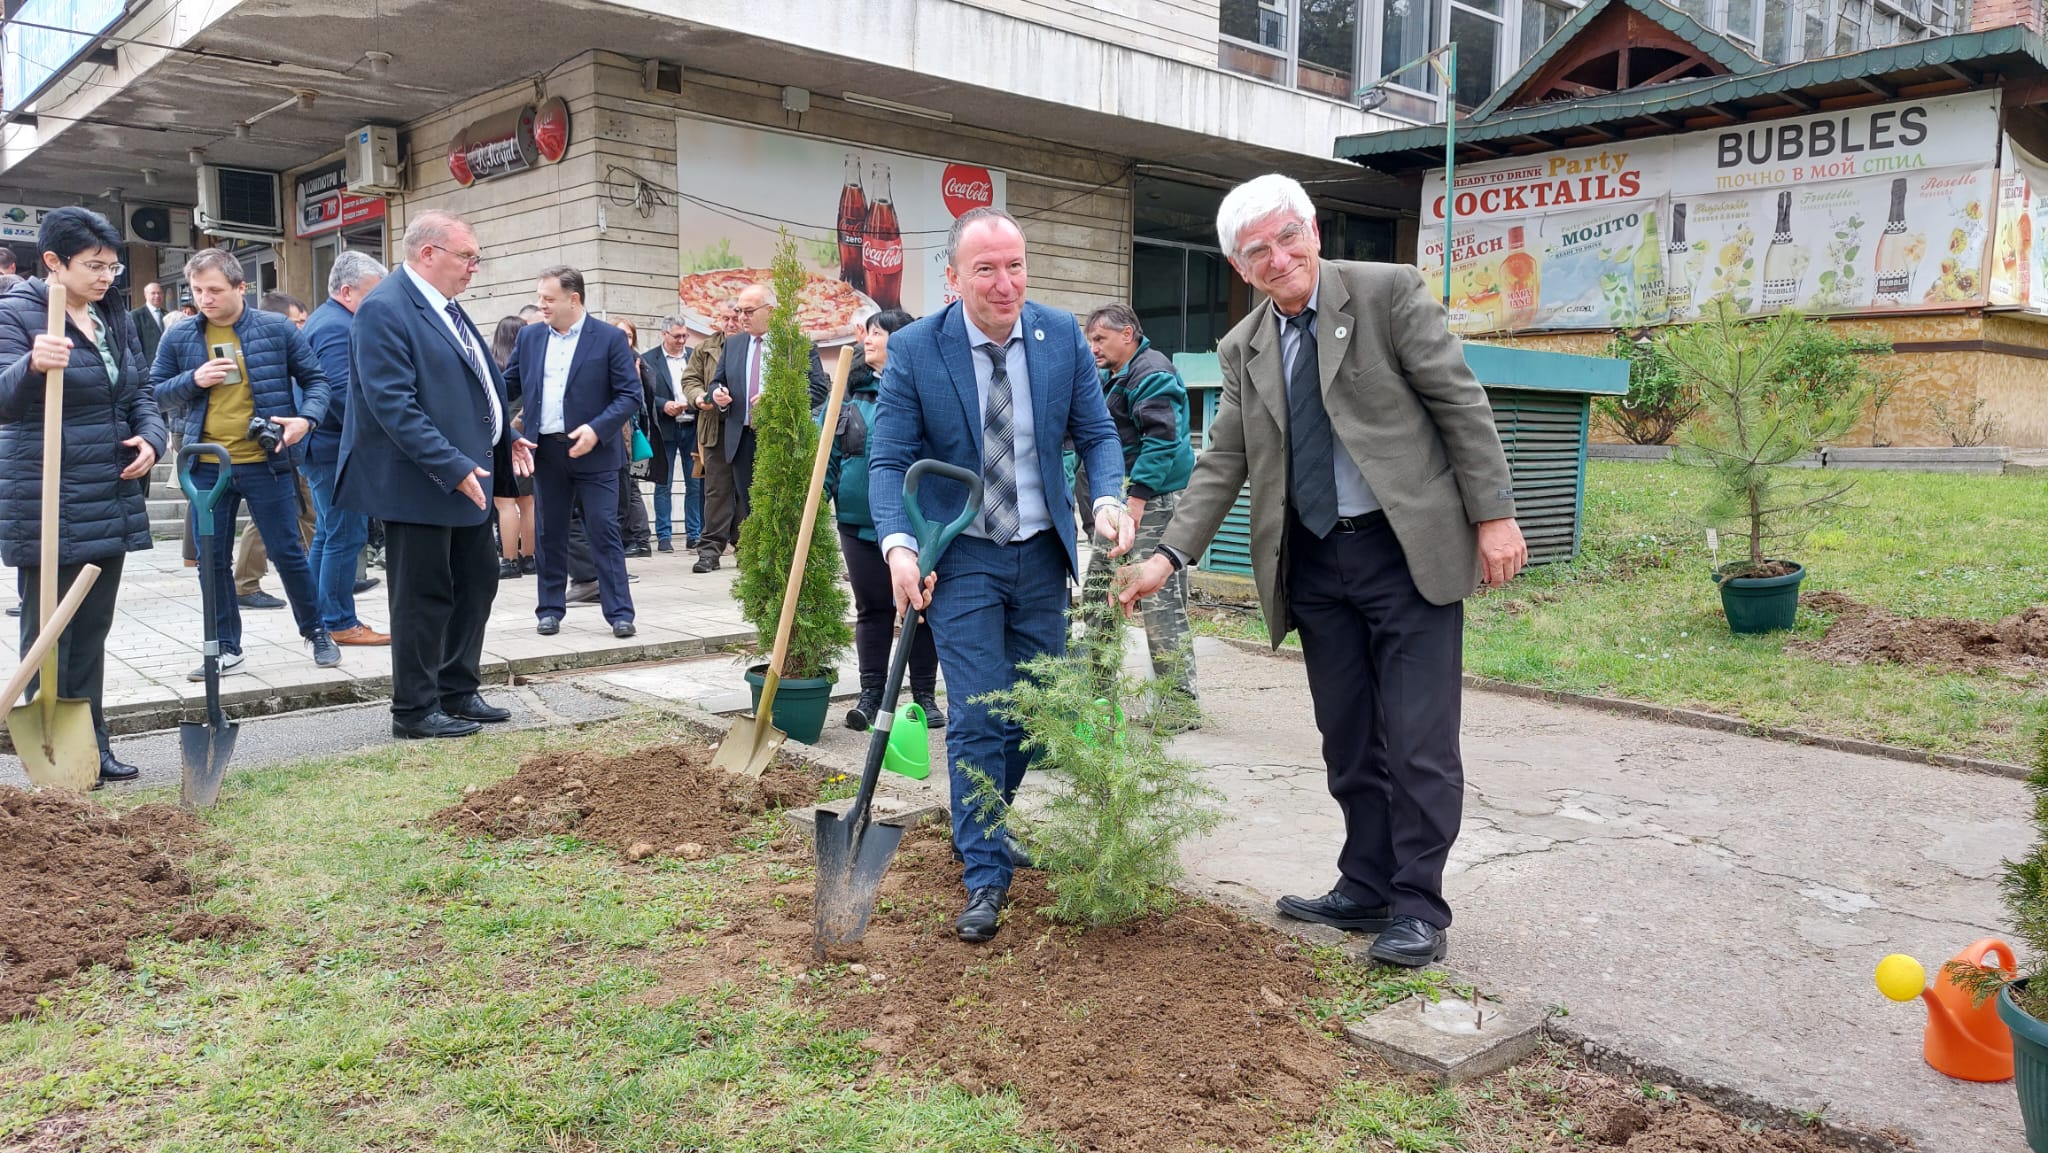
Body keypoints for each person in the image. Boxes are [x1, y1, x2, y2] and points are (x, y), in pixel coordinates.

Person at [1117, 174, 1527, 968]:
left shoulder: (1387, 294)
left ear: (1312, 230)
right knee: (1347, 739)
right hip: (1314, 561)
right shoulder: (1246, 348)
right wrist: (1167, 555)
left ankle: (1418, 905)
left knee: (1417, 739)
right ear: (1240, 267)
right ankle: (1365, 883)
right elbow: (1224, 459)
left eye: (1286, 237)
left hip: (1404, 553)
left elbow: (1459, 403)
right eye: (1256, 251)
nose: (1278, 258)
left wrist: (1496, 514)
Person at [868, 207, 1132, 944]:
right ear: (952, 279)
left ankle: (979, 819)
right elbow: (888, 460)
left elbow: (1097, 432)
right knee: (980, 708)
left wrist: (1107, 498)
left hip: (1042, 552)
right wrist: (898, 545)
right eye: (986, 268)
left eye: (1014, 264)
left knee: (1034, 710)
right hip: (962, 553)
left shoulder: (1059, 339)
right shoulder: (919, 350)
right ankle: (984, 871)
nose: (1005, 281)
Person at [338, 209, 522, 740]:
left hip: (468, 476)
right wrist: (451, 462)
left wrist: (506, 439)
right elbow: (392, 403)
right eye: (467, 256)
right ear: (428, 253)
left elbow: (470, 389)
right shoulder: (386, 308)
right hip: (419, 480)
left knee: (477, 581)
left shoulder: (447, 308)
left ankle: (456, 690)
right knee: (421, 596)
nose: (474, 268)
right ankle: (415, 710)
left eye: (475, 258)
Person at [0, 207, 167, 784]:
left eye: (113, 267)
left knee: (91, 630)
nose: (106, 277)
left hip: (108, 489)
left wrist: (152, 437)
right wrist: (30, 364)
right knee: (50, 634)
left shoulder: (111, 315)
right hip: (48, 493)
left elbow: (140, 388)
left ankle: (92, 740)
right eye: (94, 266)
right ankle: (52, 755)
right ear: (52, 262)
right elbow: (3, 396)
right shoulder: (16, 315)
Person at [153, 248, 339, 682]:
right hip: (206, 465)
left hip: (266, 459)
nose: (205, 299)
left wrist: (305, 420)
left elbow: (317, 381)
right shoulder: (179, 337)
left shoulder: (276, 329)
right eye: (197, 290)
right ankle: (223, 648)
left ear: (241, 288)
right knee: (209, 559)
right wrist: (193, 380)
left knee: (287, 550)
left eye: (215, 290)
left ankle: (316, 631)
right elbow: (154, 392)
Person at [504, 266, 640, 640]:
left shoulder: (609, 339)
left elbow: (630, 395)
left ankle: (620, 614)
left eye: (548, 298)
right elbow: (508, 384)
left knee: (603, 529)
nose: (541, 305)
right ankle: (549, 610)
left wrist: (597, 429)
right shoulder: (530, 338)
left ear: (573, 299)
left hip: (595, 452)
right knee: (549, 532)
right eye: (540, 297)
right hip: (545, 450)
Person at [827, 308, 942, 732]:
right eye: (867, 333)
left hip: (918, 524)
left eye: (877, 332)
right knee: (872, 609)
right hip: (858, 521)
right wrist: (819, 496)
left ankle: (924, 695)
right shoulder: (849, 394)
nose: (867, 339)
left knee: (920, 607)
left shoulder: (927, 392)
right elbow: (831, 456)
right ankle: (871, 694)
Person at [1080, 302, 1198, 703]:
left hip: (1153, 501)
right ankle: (1097, 692)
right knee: (1099, 590)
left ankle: (1177, 704)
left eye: (1100, 338)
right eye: (1089, 339)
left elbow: (1161, 442)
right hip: (1120, 502)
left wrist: (1136, 502)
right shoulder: (1108, 376)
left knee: (1161, 601)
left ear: (1127, 335)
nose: (1092, 347)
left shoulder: (1152, 372)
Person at [298, 251, 390, 648]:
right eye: (375, 293)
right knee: (345, 536)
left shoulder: (329, 320)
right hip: (335, 446)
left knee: (330, 534)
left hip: (325, 446)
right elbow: (340, 393)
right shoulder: (336, 327)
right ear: (348, 291)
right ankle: (338, 621)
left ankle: (320, 615)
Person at [706, 283, 828, 567]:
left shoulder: (795, 343)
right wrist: (718, 396)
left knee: (781, 506)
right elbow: (716, 381)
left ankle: (785, 562)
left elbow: (818, 389)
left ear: (770, 312)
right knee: (749, 505)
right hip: (742, 436)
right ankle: (757, 562)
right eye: (739, 311)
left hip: (781, 438)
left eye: (748, 311)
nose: (741, 318)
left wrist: (780, 399)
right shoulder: (734, 343)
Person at [231, 291, 322, 611]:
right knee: (272, 517)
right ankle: (245, 583)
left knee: (304, 513)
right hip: (275, 447)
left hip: (293, 445)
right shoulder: (269, 347)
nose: (302, 328)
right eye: (297, 322)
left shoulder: (293, 348)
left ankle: (317, 576)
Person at [679, 299, 740, 573]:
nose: (731, 323)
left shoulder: (756, 346)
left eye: (736, 317)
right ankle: (710, 550)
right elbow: (690, 379)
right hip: (715, 426)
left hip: (750, 426)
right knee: (716, 491)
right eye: (725, 318)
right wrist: (698, 398)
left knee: (749, 489)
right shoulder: (705, 348)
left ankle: (747, 546)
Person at [642, 314, 705, 552]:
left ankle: (694, 534)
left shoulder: (693, 357)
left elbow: (701, 386)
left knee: (695, 483)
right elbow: (644, 394)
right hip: (665, 428)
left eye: (684, 335)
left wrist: (694, 402)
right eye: (677, 336)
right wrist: (663, 405)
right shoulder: (649, 359)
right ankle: (665, 536)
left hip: (691, 426)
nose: (681, 340)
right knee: (663, 484)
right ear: (664, 334)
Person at [490, 315, 536, 578]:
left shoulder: (494, 365)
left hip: (501, 436)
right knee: (528, 501)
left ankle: (508, 561)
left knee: (505, 502)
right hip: (528, 436)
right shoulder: (529, 366)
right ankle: (529, 558)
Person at [611, 316, 656, 559]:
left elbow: (638, 402)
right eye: (619, 335)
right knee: (630, 487)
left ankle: (640, 540)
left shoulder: (635, 362)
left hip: (633, 436)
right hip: (629, 435)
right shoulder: (624, 360)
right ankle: (636, 539)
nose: (624, 340)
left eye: (628, 336)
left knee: (631, 487)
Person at [131, 280, 167, 362]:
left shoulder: (166, 314)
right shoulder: (136, 315)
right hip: (148, 365)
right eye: (153, 293)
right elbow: (133, 344)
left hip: (167, 365)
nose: (157, 296)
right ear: (145, 295)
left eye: (159, 293)